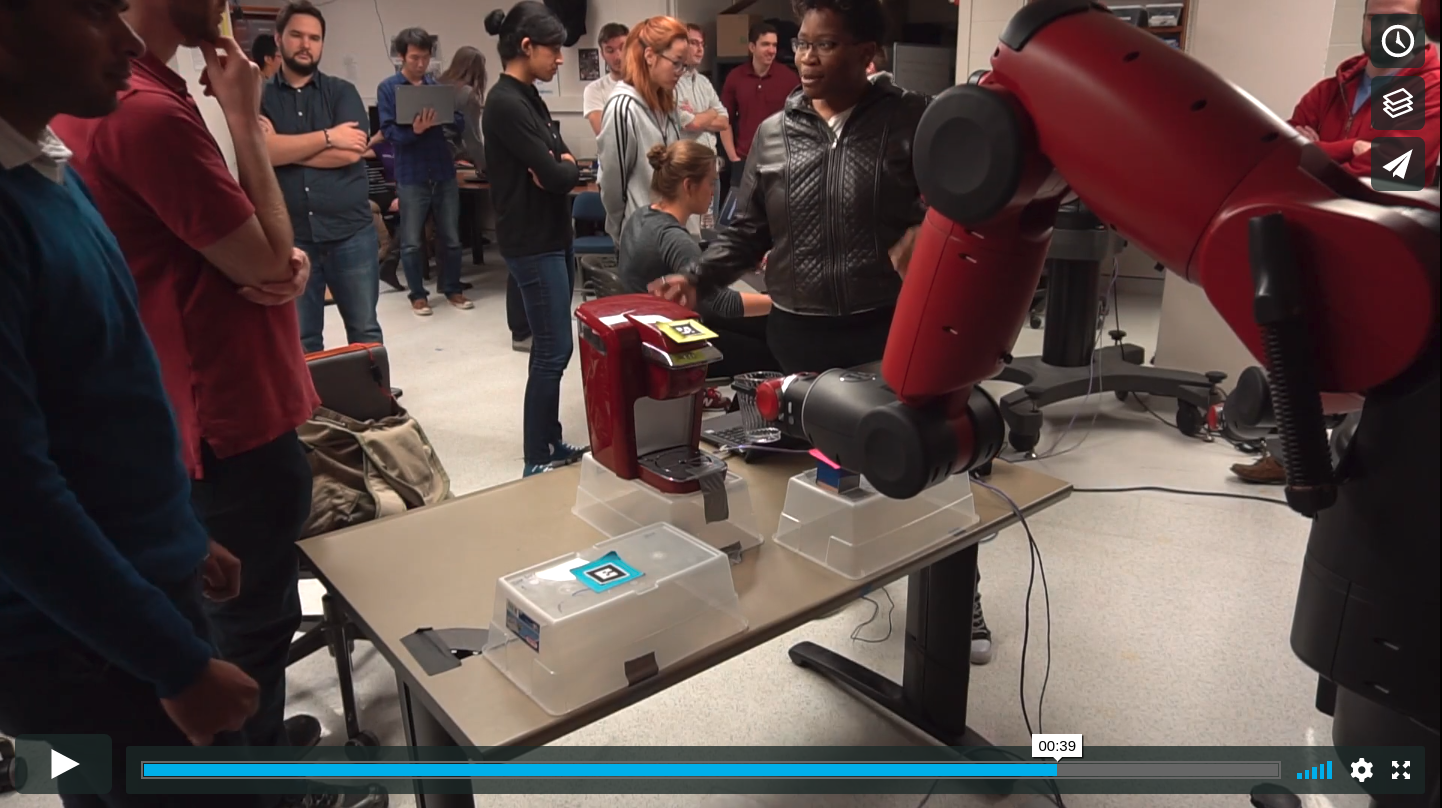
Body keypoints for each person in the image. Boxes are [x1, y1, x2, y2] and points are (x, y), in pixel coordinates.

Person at [649, 0, 997, 665]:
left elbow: (967, 205)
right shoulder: (774, 133)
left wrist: (925, 234)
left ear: (868, 54)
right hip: (801, 333)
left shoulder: (912, 119)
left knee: (928, 467)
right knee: (831, 470)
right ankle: (850, 569)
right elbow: (746, 229)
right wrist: (698, 277)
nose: (806, 59)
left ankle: (960, 595)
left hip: (889, 329)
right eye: (801, 45)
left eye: (825, 45)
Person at [50, 0, 331, 768]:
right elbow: (267, 258)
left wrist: (273, 253)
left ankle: (259, 749)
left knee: (239, 621)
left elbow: (255, 250)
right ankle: (263, 775)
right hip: (225, 419)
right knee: (249, 629)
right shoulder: (142, 111)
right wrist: (245, 119)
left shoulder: (118, 99)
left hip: (188, 413)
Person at [0, 0, 266, 797]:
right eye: (90, 13)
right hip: (78, 645)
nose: (124, 40)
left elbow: (98, 406)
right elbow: (15, 496)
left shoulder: (42, 166)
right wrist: (173, 663)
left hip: (133, 587)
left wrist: (177, 534)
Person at [1232, 0, 1439, 484]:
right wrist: (1349, 148)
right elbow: (1278, 155)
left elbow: (1394, 172)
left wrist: (1316, 152)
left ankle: (1352, 467)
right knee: (1295, 344)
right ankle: (1288, 456)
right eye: (1378, 16)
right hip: (1312, 231)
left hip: (1380, 239)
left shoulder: (1429, 88)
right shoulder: (1333, 88)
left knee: (1364, 360)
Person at [482, 1, 589, 477]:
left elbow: (564, 164)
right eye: (554, 50)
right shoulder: (505, 102)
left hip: (553, 233)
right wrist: (560, 168)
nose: (561, 59)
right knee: (552, 349)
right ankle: (536, 457)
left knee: (555, 347)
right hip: (532, 239)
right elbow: (555, 170)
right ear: (527, 46)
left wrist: (561, 167)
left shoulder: (529, 96)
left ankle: (550, 439)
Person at [261, 0, 384, 355]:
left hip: (351, 234)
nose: (306, 44)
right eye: (297, 35)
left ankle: (373, 392)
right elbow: (260, 154)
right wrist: (329, 137)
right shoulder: (260, 96)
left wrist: (283, 148)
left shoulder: (342, 92)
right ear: (278, 38)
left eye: (314, 38)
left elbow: (351, 153)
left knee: (364, 331)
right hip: (292, 239)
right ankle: (313, 395)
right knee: (303, 340)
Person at [619, 141, 775, 378]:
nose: (713, 191)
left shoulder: (641, 215)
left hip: (646, 330)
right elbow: (723, 303)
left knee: (763, 326)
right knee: (774, 350)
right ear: (689, 186)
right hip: (670, 344)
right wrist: (780, 303)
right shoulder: (673, 237)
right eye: (711, 182)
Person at [1286, 0, 1440, 185]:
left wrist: (1314, 152)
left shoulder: (1433, 90)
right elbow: (1279, 156)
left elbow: (1390, 169)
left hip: (1378, 205)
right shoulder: (1326, 92)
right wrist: (1353, 147)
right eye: (1373, 18)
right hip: (1308, 203)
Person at [377, 26, 472, 315]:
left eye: (425, 58)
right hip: (411, 173)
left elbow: (459, 122)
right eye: (414, 58)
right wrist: (415, 131)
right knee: (411, 241)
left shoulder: (436, 87)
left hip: (442, 169)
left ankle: (452, 288)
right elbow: (388, 131)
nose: (421, 64)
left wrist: (446, 117)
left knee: (451, 237)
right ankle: (417, 295)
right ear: (401, 57)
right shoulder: (389, 88)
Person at [596, 16, 688, 241]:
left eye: (684, 65)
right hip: (641, 238)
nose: (680, 71)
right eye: (676, 62)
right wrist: (622, 235)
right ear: (649, 56)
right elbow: (612, 187)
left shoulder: (666, 105)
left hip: (670, 233)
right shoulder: (622, 108)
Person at [718, 23, 797, 188]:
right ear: (752, 47)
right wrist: (733, 157)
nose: (771, 50)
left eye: (774, 45)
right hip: (743, 160)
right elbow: (724, 120)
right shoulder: (735, 77)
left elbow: (799, 121)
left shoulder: (789, 78)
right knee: (739, 205)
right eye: (765, 44)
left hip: (779, 161)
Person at [673, 22, 732, 229]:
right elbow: (691, 124)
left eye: (702, 44)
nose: (699, 49)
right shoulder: (672, 82)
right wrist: (708, 114)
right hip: (687, 170)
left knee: (709, 231)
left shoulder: (704, 83)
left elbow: (724, 121)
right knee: (689, 230)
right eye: (693, 43)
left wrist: (701, 116)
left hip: (710, 167)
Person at [440, 44, 487, 170]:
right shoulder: (467, 95)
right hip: (453, 159)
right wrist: (485, 168)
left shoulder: (437, 84)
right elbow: (472, 138)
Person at [582, 22, 629, 135]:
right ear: (602, 54)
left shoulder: (647, 83)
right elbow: (605, 134)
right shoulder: (594, 90)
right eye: (610, 50)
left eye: (623, 48)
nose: (618, 56)